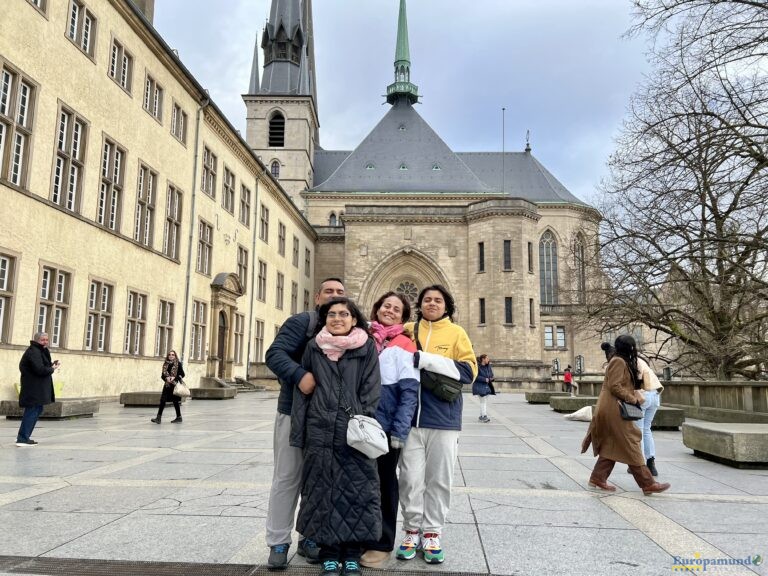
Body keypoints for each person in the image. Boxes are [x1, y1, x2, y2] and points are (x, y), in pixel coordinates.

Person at [289, 297, 381, 576]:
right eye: (331, 314)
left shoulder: (366, 348)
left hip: (354, 435)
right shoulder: (314, 348)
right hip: (319, 431)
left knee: (356, 493)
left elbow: (371, 388)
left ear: (354, 319)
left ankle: (351, 555)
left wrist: (359, 421)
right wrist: (301, 431)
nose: (337, 318)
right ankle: (330, 554)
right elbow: (302, 393)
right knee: (321, 493)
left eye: (344, 314)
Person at [264, 278, 345, 569]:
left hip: (325, 418)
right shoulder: (302, 322)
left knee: (317, 480)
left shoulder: (346, 329)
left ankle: (309, 536)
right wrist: (300, 375)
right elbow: (274, 354)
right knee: (287, 477)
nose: (334, 296)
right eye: (329, 292)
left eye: (340, 293)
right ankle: (278, 541)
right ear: (317, 298)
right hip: (292, 411)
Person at [397, 285, 478, 565]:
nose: (432, 303)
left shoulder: (457, 333)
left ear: (446, 306)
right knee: (409, 480)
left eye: (438, 300)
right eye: (427, 299)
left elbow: (468, 371)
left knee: (440, 480)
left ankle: (432, 532)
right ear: (420, 304)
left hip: (443, 419)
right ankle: (411, 530)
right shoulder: (407, 330)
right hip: (410, 420)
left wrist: (427, 360)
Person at [360, 292, 419, 569]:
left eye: (397, 309)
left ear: (404, 316)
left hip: (385, 427)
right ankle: (356, 536)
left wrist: (400, 429)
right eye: (386, 306)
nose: (390, 311)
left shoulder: (405, 344)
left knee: (384, 482)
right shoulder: (362, 337)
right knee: (356, 481)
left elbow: (409, 392)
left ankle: (382, 542)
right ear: (377, 308)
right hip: (358, 422)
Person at [581, 335, 671, 495]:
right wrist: (632, 398)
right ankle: (647, 483)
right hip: (613, 409)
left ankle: (597, 478)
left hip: (611, 407)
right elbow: (614, 386)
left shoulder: (620, 361)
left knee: (612, 444)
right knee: (631, 440)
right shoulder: (618, 361)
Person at [17, 332, 59, 447]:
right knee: (32, 412)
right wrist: (52, 369)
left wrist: (51, 365)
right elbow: (39, 370)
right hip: (33, 388)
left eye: (47, 339)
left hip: (37, 388)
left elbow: (41, 367)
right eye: (42, 340)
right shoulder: (34, 351)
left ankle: (24, 437)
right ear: (36, 340)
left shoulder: (40, 350)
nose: (45, 342)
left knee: (35, 411)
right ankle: (22, 438)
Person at [636, 355, 664, 476]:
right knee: (647, 429)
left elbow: (636, 381)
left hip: (644, 395)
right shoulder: (642, 361)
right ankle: (651, 462)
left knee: (638, 430)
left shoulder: (632, 361)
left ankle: (638, 463)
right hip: (655, 394)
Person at [151, 350, 185, 424]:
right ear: (168, 356)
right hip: (167, 385)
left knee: (175, 402)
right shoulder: (165, 364)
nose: (171, 356)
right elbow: (162, 375)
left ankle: (179, 417)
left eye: (173, 355)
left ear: (175, 356)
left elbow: (182, 374)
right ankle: (158, 418)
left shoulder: (178, 364)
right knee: (162, 400)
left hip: (175, 386)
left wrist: (174, 378)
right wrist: (166, 378)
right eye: (169, 355)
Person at [472, 354, 495, 423]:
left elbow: (491, 374)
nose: (488, 359)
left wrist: (491, 378)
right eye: (487, 358)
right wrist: (485, 379)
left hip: (487, 387)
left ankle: (481, 416)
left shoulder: (488, 366)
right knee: (483, 402)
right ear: (483, 359)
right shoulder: (477, 367)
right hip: (479, 386)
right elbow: (475, 376)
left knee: (483, 402)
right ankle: (484, 416)